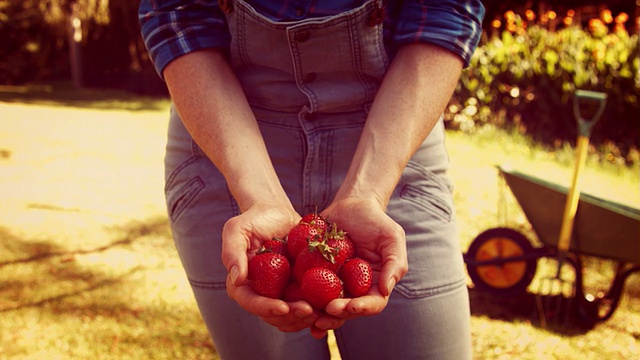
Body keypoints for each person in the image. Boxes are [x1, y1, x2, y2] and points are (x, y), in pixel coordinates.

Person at [139, 0, 484, 359]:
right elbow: (178, 14)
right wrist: (258, 198)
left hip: (398, 131)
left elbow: (446, 11)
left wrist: (367, 193)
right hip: (225, 135)